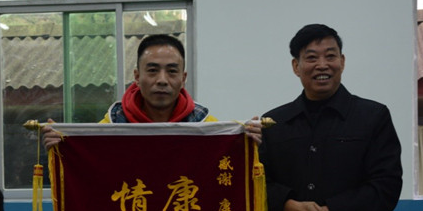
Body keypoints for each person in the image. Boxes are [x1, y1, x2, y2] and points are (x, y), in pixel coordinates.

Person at [259, 24, 403, 211]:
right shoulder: (274, 123)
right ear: (296, 66)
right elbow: (255, 185)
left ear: (343, 61)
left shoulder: (373, 117)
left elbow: (386, 186)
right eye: (311, 57)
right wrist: (290, 207)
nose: (322, 65)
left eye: (330, 56)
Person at [43, 34, 261, 148]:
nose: (162, 80)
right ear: (137, 77)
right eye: (153, 71)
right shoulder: (112, 126)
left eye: (172, 71)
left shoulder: (205, 126)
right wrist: (63, 145)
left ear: (183, 79)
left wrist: (246, 143)